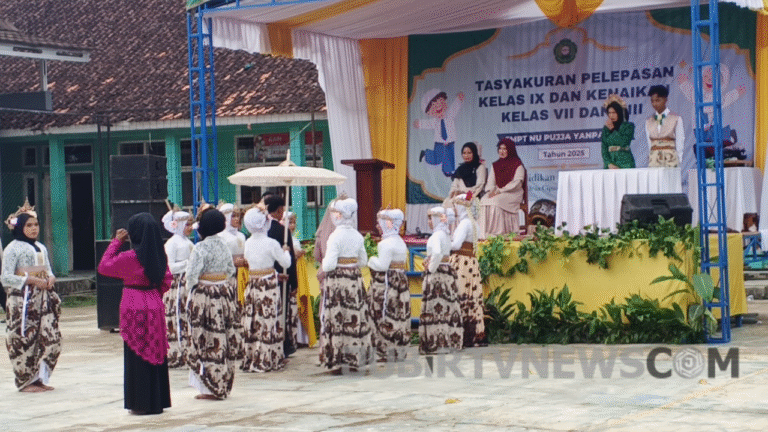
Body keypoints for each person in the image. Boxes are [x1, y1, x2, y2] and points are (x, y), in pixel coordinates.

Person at [97, 212, 172, 415]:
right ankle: (158, 401)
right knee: (156, 349)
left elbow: (104, 267)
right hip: (154, 303)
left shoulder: (128, 257)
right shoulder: (159, 256)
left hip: (132, 302)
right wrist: (153, 293)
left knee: (136, 353)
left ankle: (140, 402)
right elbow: (167, 280)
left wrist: (116, 242)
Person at [2, 201, 61, 393]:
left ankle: (40, 377)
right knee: (23, 340)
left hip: (43, 299)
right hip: (22, 301)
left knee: (52, 340)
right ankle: (26, 381)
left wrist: (50, 279)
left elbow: (49, 271)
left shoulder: (41, 247)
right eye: (29, 225)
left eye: (36, 225)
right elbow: (5, 277)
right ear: (20, 227)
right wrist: (31, 280)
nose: (34, 228)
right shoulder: (12, 248)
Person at [185, 207, 242, 400]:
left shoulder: (200, 248)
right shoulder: (224, 245)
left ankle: (210, 386)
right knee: (223, 337)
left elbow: (191, 275)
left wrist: (194, 289)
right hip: (223, 294)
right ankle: (223, 381)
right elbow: (230, 270)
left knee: (206, 338)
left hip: (205, 297)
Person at [319, 197, 373, 371]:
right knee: (354, 318)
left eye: (335, 213)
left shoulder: (335, 236)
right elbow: (363, 261)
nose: (333, 216)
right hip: (354, 280)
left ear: (341, 214)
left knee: (337, 319)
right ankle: (355, 358)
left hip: (337, 281)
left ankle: (337, 359)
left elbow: (328, 265)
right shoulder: (357, 235)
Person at [241, 206, 292, 372]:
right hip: (268, 287)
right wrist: (286, 252)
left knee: (255, 321)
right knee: (269, 321)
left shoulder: (248, 243)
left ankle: (253, 356)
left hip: (254, 284)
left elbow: (255, 265)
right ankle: (269, 357)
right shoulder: (271, 243)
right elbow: (286, 263)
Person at [367, 209, 410, 362]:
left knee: (384, 314)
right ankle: (398, 349)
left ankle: (385, 350)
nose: (378, 226)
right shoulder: (400, 241)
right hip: (401, 282)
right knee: (399, 315)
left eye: (380, 223)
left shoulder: (385, 244)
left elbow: (382, 265)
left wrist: (370, 260)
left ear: (388, 223)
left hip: (388, 284)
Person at [419, 206, 462, 354]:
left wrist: (430, 268)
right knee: (447, 307)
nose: (429, 222)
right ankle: (449, 341)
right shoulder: (444, 234)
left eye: (431, 218)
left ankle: (437, 343)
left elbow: (437, 253)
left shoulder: (436, 236)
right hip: (447, 273)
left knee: (436, 310)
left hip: (437, 274)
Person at [264, 195, 298, 358]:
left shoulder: (261, 229)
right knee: (280, 312)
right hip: (281, 277)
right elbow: (290, 260)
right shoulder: (281, 230)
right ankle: (283, 344)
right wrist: (294, 282)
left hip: (262, 279)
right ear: (279, 211)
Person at [450, 194, 485, 347]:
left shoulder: (464, 224)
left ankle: (460, 333)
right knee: (472, 296)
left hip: (462, 263)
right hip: (472, 262)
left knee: (461, 294)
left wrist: (445, 242)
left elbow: (456, 245)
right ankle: (473, 333)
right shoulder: (474, 224)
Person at [161, 207, 194, 368]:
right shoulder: (172, 243)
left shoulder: (188, 242)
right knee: (176, 318)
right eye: (187, 225)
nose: (190, 228)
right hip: (175, 285)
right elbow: (169, 267)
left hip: (187, 284)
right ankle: (176, 352)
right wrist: (188, 264)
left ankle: (187, 351)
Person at [479, 138, 527, 237]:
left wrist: (499, 191)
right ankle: (484, 233)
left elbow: (516, 184)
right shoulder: (495, 165)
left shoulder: (518, 165)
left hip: (513, 193)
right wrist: (491, 191)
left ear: (510, 150)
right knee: (484, 200)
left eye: (505, 149)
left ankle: (497, 233)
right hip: (498, 192)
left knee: (496, 202)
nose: (502, 151)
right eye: (500, 149)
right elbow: (491, 181)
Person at [414, 89, 465, 177]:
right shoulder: (435, 121)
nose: (438, 107)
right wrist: (420, 124)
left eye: (440, 103)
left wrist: (458, 100)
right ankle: (426, 154)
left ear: (445, 103)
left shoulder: (449, 115)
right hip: (439, 143)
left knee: (449, 156)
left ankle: (449, 171)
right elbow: (428, 124)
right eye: (433, 107)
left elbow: (454, 108)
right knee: (437, 159)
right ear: (429, 112)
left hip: (450, 141)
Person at [285, 211, 317, 348]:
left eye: (294, 222)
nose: (293, 225)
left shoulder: (295, 239)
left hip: (299, 272)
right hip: (292, 272)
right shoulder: (285, 239)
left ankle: (302, 337)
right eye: (290, 222)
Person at [646, 85, 685, 167]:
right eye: (652, 101)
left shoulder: (676, 118)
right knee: (655, 179)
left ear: (665, 99)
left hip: (671, 157)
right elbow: (649, 142)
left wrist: (679, 159)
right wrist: (651, 155)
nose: (655, 104)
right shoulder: (649, 121)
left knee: (671, 179)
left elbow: (680, 140)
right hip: (654, 158)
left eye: (657, 100)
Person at [217, 203, 248, 306]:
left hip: (243, 274)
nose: (236, 219)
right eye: (233, 216)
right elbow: (218, 259)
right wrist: (233, 262)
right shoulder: (220, 236)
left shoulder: (242, 235)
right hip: (228, 277)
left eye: (238, 216)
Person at [444, 142, 487, 207]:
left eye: (469, 153)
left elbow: (480, 185)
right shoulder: (460, 169)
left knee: (465, 205)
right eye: (464, 153)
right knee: (447, 204)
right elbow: (454, 185)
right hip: (459, 197)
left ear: (474, 153)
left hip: (473, 196)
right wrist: (453, 193)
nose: (466, 155)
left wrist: (466, 193)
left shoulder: (480, 167)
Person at [601, 94, 636, 169]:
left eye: (614, 113)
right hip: (610, 165)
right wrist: (609, 163)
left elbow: (623, 142)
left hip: (626, 163)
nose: (611, 116)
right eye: (609, 113)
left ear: (619, 113)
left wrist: (613, 130)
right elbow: (604, 148)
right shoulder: (606, 128)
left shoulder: (629, 126)